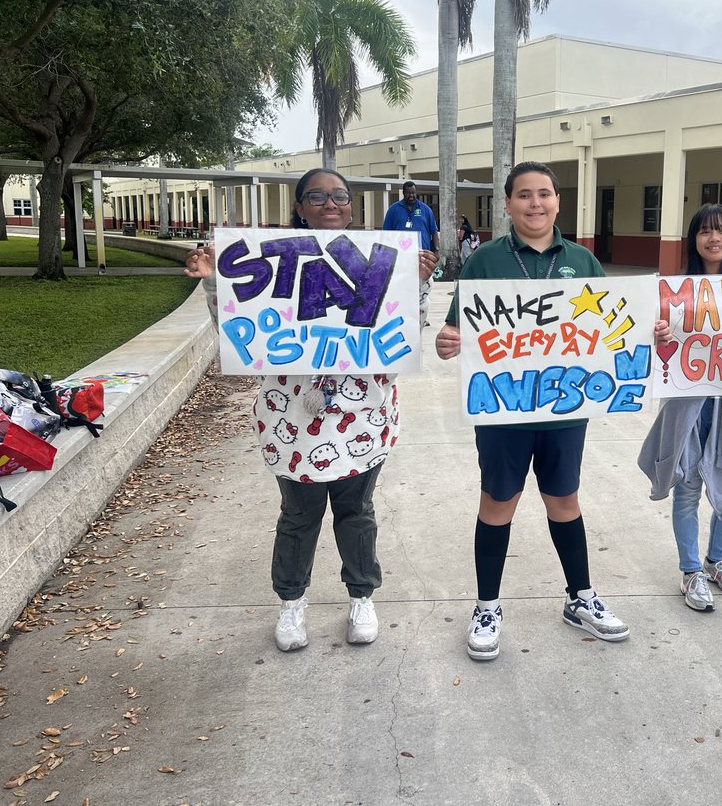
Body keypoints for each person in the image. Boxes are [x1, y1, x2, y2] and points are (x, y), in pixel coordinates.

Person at [185, 168, 437, 651]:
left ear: (352, 205)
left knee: (357, 512)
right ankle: (291, 603)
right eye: (317, 196)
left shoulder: (380, 262)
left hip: (364, 415)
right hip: (291, 419)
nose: (330, 203)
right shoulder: (269, 263)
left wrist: (416, 284)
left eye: (340, 196)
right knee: (298, 517)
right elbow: (241, 335)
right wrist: (214, 282)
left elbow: (405, 336)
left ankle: (361, 595)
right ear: (299, 206)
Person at [436, 161, 657, 661]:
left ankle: (581, 598)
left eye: (544, 194)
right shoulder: (484, 262)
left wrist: (651, 332)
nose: (535, 204)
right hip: (501, 412)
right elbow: (458, 331)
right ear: (507, 204)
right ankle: (487, 607)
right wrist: (449, 341)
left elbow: (615, 327)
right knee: (497, 504)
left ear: (558, 201)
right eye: (523, 195)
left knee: (564, 502)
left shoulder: (582, 260)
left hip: (564, 411)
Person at [637, 203, 722, 612]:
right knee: (687, 488)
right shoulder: (674, 292)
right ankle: (691, 571)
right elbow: (657, 348)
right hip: (688, 404)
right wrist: (659, 333)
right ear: (694, 240)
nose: (715, 238)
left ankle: (717, 561)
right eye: (705, 231)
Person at [383, 181, 439, 326]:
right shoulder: (394, 210)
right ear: (403, 193)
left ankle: (420, 316)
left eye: (414, 192)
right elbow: (386, 234)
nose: (412, 195)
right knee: (402, 288)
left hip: (422, 258)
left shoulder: (425, 210)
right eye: (409, 193)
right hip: (400, 258)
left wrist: (437, 251)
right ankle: (403, 314)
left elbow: (434, 232)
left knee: (422, 289)